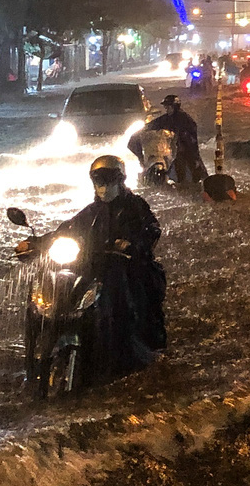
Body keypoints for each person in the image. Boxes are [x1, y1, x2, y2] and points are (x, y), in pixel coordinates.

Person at [22, 154, 166, 378]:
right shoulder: (90, 212)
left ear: (120, 179)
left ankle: (125, 349)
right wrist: (36, 243)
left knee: (124, 292)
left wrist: (132, 245)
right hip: (93, 268)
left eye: (108, 178)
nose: (103, 184)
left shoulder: (135, 206)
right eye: (98, 179)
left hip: (127, 269)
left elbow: (151, 230)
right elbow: (65, 231)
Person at [140, 93, 206, 185]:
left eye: (168, 107)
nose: (166, 110)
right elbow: (158, 122)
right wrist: (145, 128)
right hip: (179, 151)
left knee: (192, 172)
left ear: (174, 107)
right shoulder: (170, 117)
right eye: (166, 107)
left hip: (187, 152)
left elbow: (191, 140)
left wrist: (188, 151)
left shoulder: (183, 119)